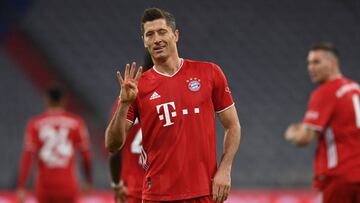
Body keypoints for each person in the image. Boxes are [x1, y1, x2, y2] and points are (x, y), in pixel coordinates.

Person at [105, 7, 241, 203]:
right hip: (158, 196)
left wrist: (225, 169)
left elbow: (233, 125)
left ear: (175, 35)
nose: (157, 39)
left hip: (204, 192)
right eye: (150, 34)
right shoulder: (138, 87)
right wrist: (124, 104)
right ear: (144, 41)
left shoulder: (209, 73)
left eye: (162, 32)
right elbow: (112, 144)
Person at [285, 42, 360, 202]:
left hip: (340, 175)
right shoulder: (355, 88)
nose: (311, 67)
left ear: (332, 62)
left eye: (316, 62)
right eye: (309, 63)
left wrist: (292, 133)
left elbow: (304, 138)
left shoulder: (325, 92)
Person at [16, 86, 93, 203]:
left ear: (46, 100)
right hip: (68, 186)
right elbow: (86, 156)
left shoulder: (35, 124)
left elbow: (28, 156)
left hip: (44, 187)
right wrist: (88, 181)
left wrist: (21, 186)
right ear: (64, 100)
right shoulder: (76, 123)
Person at [108, 52, 153, 203]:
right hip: (164, 191)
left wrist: (116, 184)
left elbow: (114, 150)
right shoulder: (173, 98)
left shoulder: (127, 99)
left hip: (133, 191)